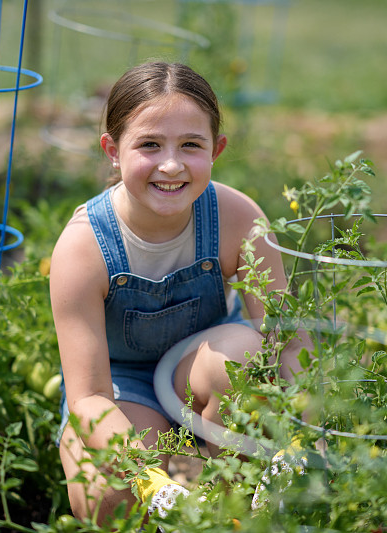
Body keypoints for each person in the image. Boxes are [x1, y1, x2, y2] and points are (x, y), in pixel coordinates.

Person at [49, 61, 301, 523]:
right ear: (112, 149)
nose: (171, 164)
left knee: (244, 357)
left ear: (216, 149)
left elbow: (286, 335)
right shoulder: (84, 247)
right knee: (106, 501)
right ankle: (158, 492)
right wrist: (147, 478)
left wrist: (305, 433)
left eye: (191, 145)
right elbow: (89, 396)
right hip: (119, 386)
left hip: (203, 372)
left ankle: (232, 514)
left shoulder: (236, 218)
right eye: (149, 144)